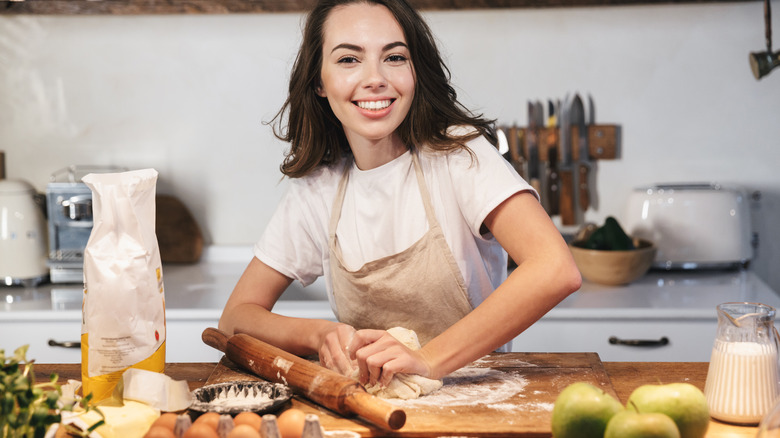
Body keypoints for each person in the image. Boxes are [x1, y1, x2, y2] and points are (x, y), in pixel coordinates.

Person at [218, 0, 581, 390]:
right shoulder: (319, 189)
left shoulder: (459, 155)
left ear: (416, 72)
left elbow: (555, 269)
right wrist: (318, 334)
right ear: (319, 83)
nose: (375, 79)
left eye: (394, 57)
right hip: (374, 407)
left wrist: (426, 359)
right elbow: (236, 317)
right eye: (348, 60)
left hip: (476, 399)